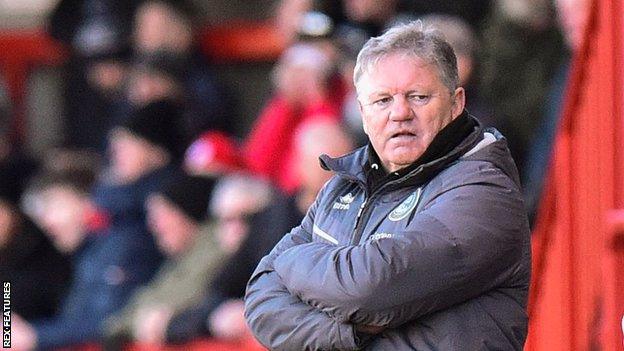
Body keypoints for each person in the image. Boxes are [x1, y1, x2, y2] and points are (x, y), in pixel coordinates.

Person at [244, 21, 531, 350]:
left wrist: (289, 261)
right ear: (363, 114)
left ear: (456, 103)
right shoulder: (342, 189)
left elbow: (366, 288)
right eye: (382, 100)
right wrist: (351, 333)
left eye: (418, 97)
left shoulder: (484, 191)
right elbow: (261, 300)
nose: (400, 113)